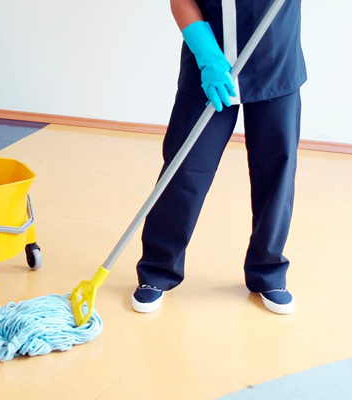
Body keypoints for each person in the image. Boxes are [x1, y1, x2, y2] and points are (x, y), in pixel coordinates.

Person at [132, 0, 307, 314]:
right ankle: (158, 270)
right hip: (208, 68)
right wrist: (207, 56)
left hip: (274, 63)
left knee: (275, 173)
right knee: (183, 171)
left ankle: (268, 272)